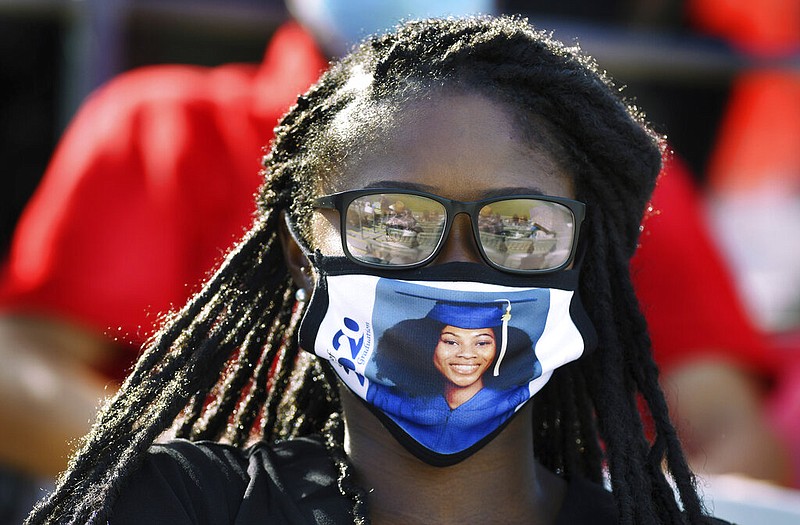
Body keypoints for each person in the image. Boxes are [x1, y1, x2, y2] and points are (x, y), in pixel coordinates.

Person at [25, 16, 729, 524]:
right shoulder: (172, 505)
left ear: (579, 259)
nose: (457, 271)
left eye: (517, 226)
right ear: (304, 255)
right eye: (392, 223)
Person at [367, 293, 541, 455]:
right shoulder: (391, 400)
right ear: (430, 344)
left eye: (482, 343)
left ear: (501, 348)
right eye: (451, 341)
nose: (466, 354)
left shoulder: (514, 400)